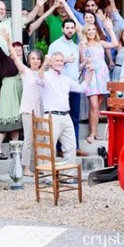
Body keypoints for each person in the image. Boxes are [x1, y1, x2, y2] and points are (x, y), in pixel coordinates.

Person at [37, 52, 94, 183]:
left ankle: (67, 175)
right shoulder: (45, 75)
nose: (59, 63)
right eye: (56, 60)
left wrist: (89, 75)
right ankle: (47, 176)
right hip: (51, 116)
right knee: (48, 147)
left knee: (71, 146)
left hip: (65, 116)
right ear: (51, 62)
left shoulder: (66, 78)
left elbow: (81, 88)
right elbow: (38, 78)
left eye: (61, 61)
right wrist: (44, 64)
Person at [1, 30, 45, 176]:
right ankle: (25, 167)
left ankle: (40, 165)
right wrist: (8, 41)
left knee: (40, 138)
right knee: (28, 138)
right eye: (33, 58)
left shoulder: (43, 73)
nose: (35, 61)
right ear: (29, 59)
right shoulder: (25, 71)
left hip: (39, 109)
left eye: (38, 59)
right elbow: (14, 57)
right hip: (27, 109)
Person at [47, 17, 88, 156]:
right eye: (67, 28)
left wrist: (85, 63)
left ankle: (74, 147)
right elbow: (50, 64)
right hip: (60, 86)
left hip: (74, 85)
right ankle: (58, 148)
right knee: (60, 117)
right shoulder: (55, 45)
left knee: (74, 118)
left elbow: (76, 67)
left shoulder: (76, 47)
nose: (70, 30)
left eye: (72, 28)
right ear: (62, 29)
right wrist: (65, 60)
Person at [79, 14, 118, 143]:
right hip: (91, 74)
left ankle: (95, 133)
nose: (91, 32)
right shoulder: (83, 45)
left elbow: (115, 43)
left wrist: (110, 28)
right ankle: (91, 133)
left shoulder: (100, 42)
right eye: (88, 30)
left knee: (98, 106)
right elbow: (81, 63)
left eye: (93, 30)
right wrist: (86, 62)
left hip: (102, 74)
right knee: (93, 104)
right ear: (85, 32)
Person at [0, 26, 24, 160]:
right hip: (8, 92)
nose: (18, 52)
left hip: (19, 92)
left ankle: (15, 150)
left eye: (20, 51)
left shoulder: (23, 64)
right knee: (6, 118)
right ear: (10, 51)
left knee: (16, 123)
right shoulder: (6, 60)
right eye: (16, 50)